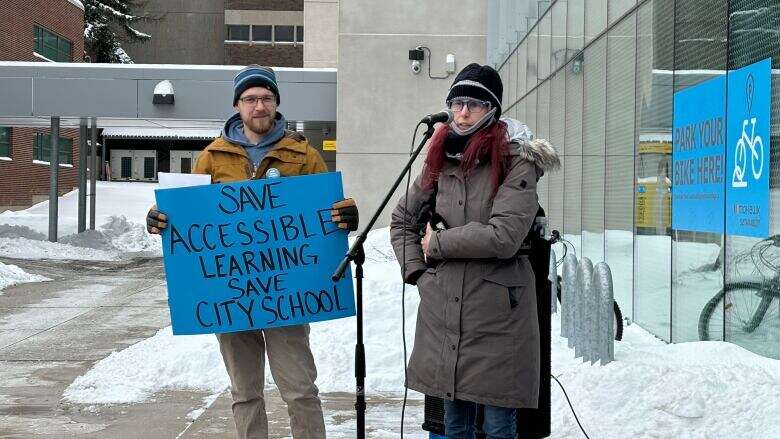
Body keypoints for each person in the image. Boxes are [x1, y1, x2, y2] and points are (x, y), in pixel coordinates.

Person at [146, 65, 358, 439]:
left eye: (266, 98)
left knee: (301, 391)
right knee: (244, 393)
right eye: (250, 99)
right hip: (231, 296)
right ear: (237, 105)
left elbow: (326, 214)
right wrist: (162, 219)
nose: (259, 105)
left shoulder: (304, 155)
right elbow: (190, 219)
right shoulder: (210, 158)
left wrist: (344, 215)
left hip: (288, 295)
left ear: (276, 103)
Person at [390, 63, 559, 439]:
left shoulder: (517, 160)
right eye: (456, 103)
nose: (462, 112)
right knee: (452, 422)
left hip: (498, 313)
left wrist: (438, 243)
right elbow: (402, 220)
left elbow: (504, 235)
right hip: (445, 307)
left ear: (493, 109)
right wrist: (418, 272)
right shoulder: (438, 155)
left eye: (474, 104)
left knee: (498, 425)